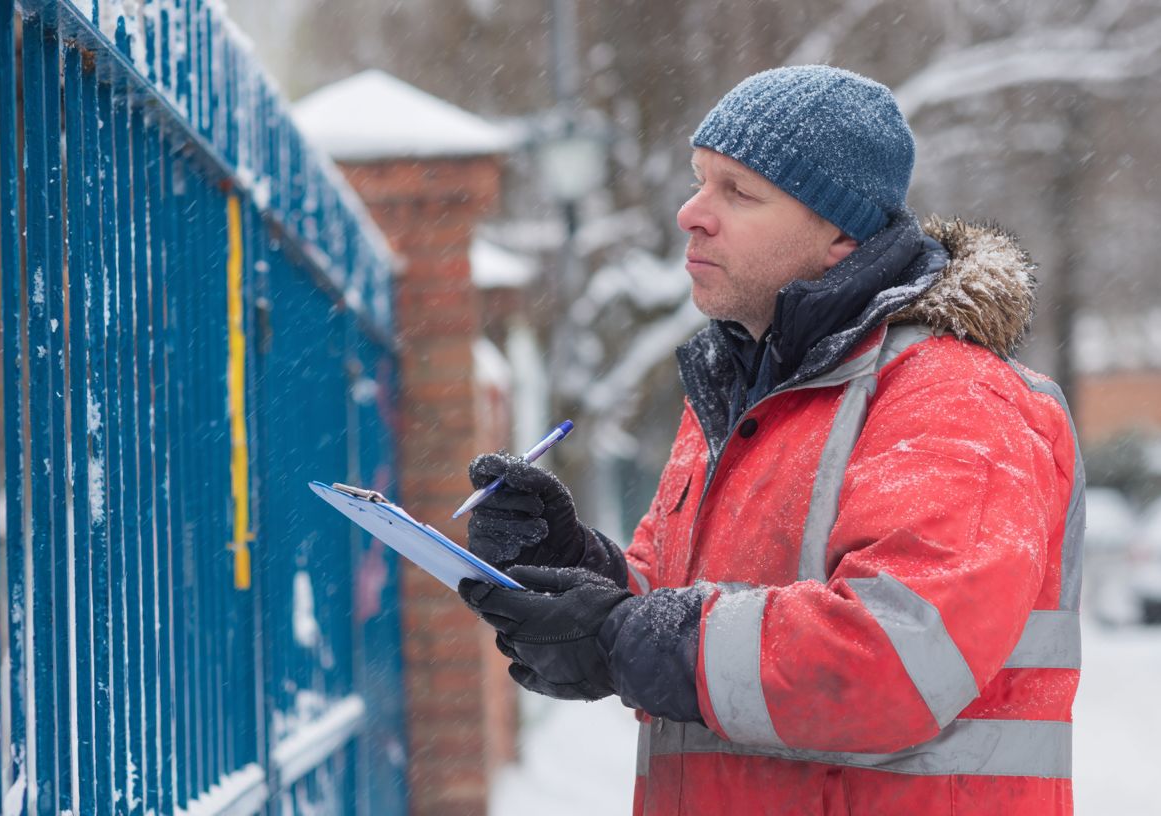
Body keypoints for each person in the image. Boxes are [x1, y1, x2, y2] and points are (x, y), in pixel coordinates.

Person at [458, 65, 1084, 816]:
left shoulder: (952, 397)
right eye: (699, 182)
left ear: (839, 235)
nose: (692, 213)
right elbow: (688, 615)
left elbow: (893, 659)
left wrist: (620, 638)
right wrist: (576, 569)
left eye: (738, 192)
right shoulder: (740, 395)